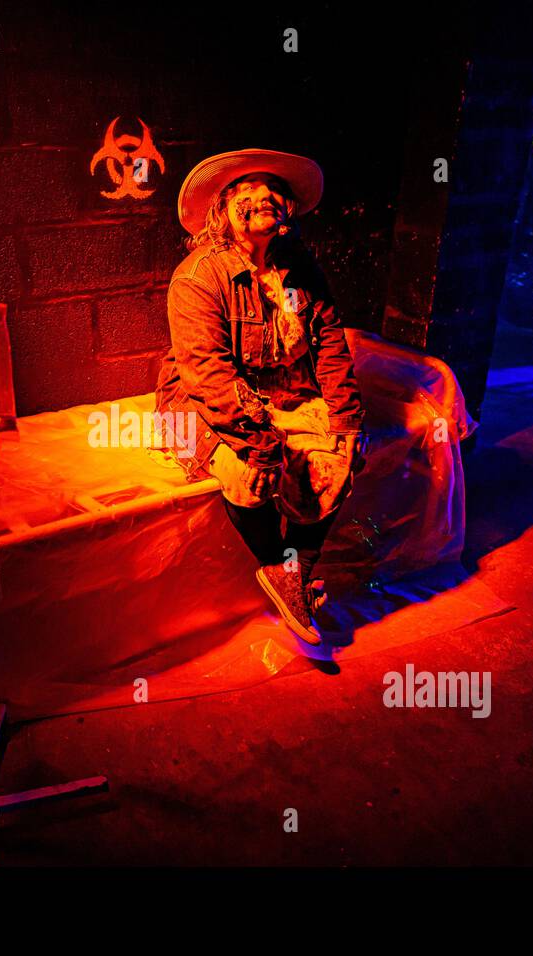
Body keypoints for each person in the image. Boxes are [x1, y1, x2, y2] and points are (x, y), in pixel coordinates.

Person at [154, 149, 367, 644]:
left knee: (343, 453)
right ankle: (279, 565)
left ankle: (292, 570)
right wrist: (262, 444)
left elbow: (331, 346)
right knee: (250, 472)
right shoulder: (198, 277)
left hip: (285, 393)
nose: (264, 196)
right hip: (203, 403)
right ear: (223, 209)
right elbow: (209, 376)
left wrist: (347, 420)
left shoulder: (300, 269)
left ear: (287, 209)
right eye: (246, 190)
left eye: (274, 189)